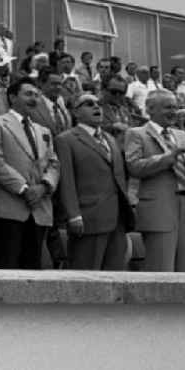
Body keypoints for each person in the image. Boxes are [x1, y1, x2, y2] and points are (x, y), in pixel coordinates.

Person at [125, 89, 185, 272]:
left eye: (175, 107)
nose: (173, 111)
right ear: (150, 109)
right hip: (158, 207)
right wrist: (166, 159)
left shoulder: (183, 136)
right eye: (167, 107)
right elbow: (133, 167)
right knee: (161, 266)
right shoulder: (137, 134)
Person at [0, 77, 60, 269]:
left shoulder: (43, 130)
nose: (33, 98)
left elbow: (54, 163)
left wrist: (44, 186)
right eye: (28, 94)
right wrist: (24, 189)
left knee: (33, 267)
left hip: (40, 208)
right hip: (9, 207)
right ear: (12, 97)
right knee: (6, 265)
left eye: (36, 95)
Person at [55, 93, 132, 270]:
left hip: (117, 219)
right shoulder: (66, 139)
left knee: (116, 275)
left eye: (98, 103)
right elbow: (67, 181)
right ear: (76, 112)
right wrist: (73, 214)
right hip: (88, 218)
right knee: (87, 274)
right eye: (89, 104)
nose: (96, 107)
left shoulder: (110, 139)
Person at [29, 66, 71, 137]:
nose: (58, 87)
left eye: (60, 84)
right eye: (54, 84)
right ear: (41, 83)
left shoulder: (61, 103)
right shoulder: (32, 105)